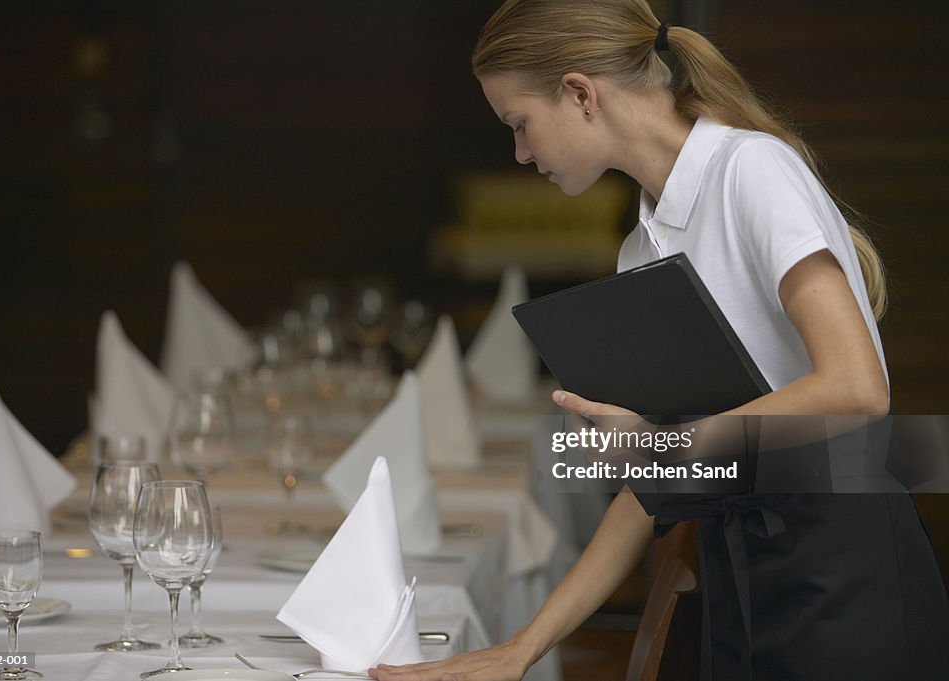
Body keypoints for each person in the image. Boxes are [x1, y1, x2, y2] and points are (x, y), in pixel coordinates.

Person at [368, 1, 949, 680]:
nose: (520, 152)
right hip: (741, 583)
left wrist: (665, 444)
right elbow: (650, 486)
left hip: (849, 580)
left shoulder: (749, 172)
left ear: (581, 93)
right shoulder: (641, 253)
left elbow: (858, 387)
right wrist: (519, 649)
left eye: (519, 125)